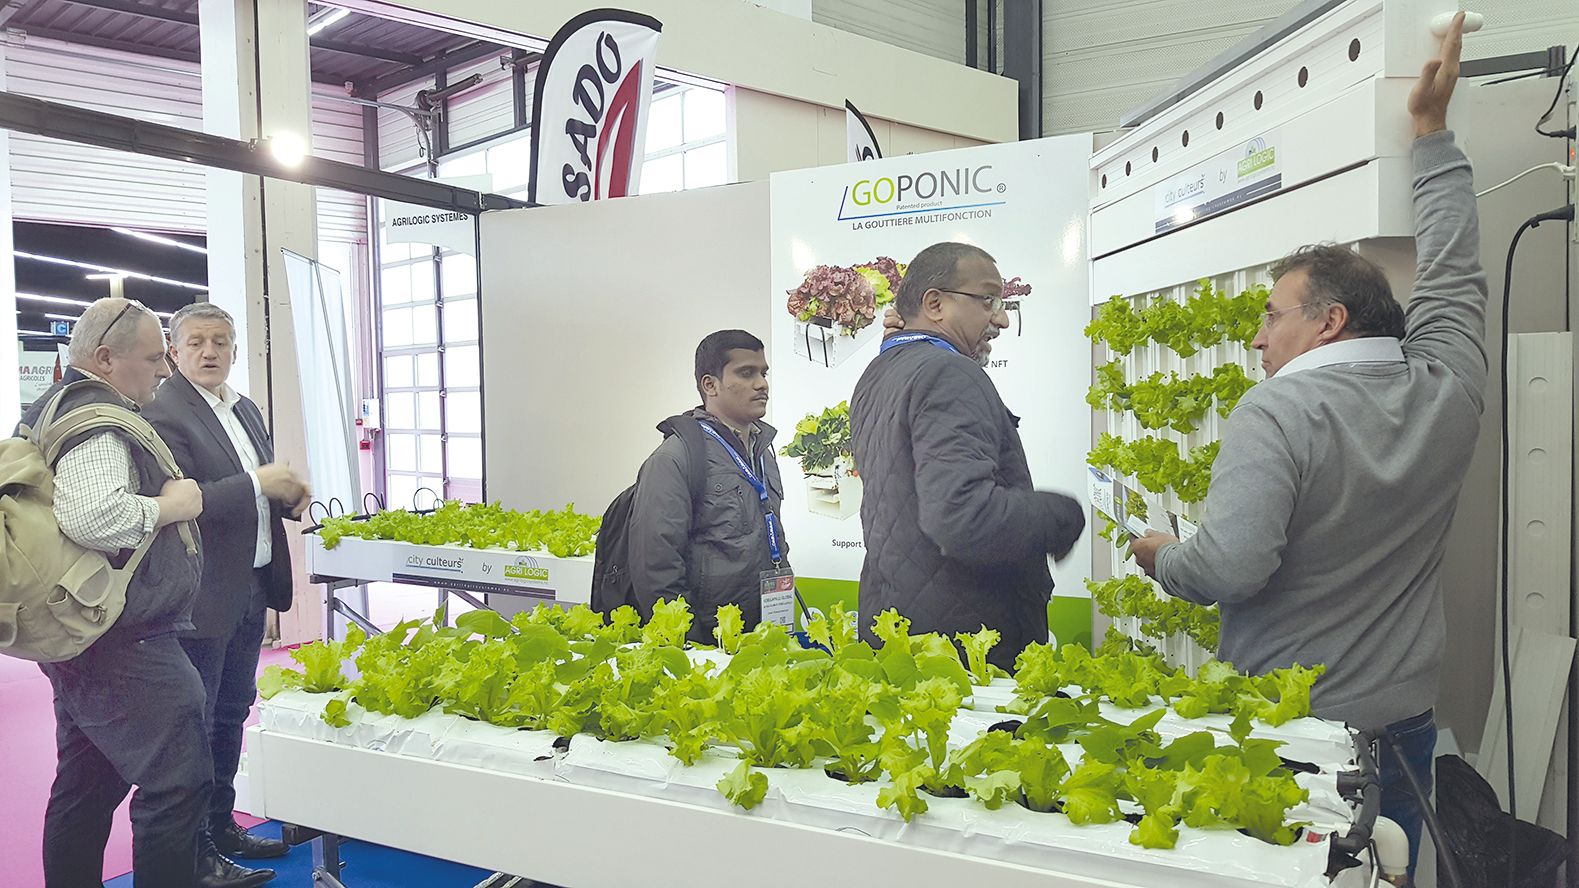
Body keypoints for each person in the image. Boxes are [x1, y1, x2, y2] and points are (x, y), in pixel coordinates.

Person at [1129, 15, 1477, 878]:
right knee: (1388, 875)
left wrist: (1164, 556)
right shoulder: (1448, 387)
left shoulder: (1275, 413)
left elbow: (1231, 569)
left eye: (1270, 316)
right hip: (1401, 730)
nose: (1256, 340)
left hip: (1294, 730)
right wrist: (1431, 137)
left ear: (1326, 322)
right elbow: (1454, 271)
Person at [17, 298, 235, 888]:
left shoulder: (52, 409)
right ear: (106, 358)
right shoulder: (98, 419)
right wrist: (173, 506)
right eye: (152, 357)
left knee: (88, 783)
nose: (165, 369)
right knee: (179, 783)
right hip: (126, 639)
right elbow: (93, 517)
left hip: (89, 633)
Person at [850, 243, 1086, 671]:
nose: (1001, 318)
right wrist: (1061, 515)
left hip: (900, 628)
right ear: (935, 304)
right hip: (965, 648)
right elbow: (961, 516)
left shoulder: (879, 372)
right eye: (988, 300)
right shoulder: (949, 372)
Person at [144, 303, 313, 880]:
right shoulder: (164, 412)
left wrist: (286, 495)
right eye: (196, 343)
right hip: (203, 592)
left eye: (220, 341)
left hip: (252, 584)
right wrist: (256, 482)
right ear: (175, 350)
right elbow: (189, 502)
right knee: (199, 719)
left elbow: (257, 487)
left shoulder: (243, 408)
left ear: (235, 350)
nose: (209, 351)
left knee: (232, 712)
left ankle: (221, 826)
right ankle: (195, 851)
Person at [626, 330, 792, 644]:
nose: (762, 384)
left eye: (763, 372)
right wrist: (691, 645)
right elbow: (656, 568)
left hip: (763, 635)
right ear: (710, 385)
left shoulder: (762, 450)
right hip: (708, 646)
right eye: (746, 373)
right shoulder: (675, 458)